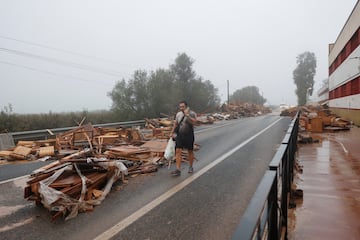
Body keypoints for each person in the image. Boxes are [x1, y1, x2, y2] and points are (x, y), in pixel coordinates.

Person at [170, 100, 197, 176]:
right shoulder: (178, 114)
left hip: (189, 135)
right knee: (178, 151)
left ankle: (191, 167)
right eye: (180, 107)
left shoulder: (192, 113)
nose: (181, 108)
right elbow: (176, 124)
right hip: (180, 135)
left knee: (190, 151)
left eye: (183, 106)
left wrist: (187, 115)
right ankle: (178, 169)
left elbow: (194, 122)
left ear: (186, 106)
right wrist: (172, 132)